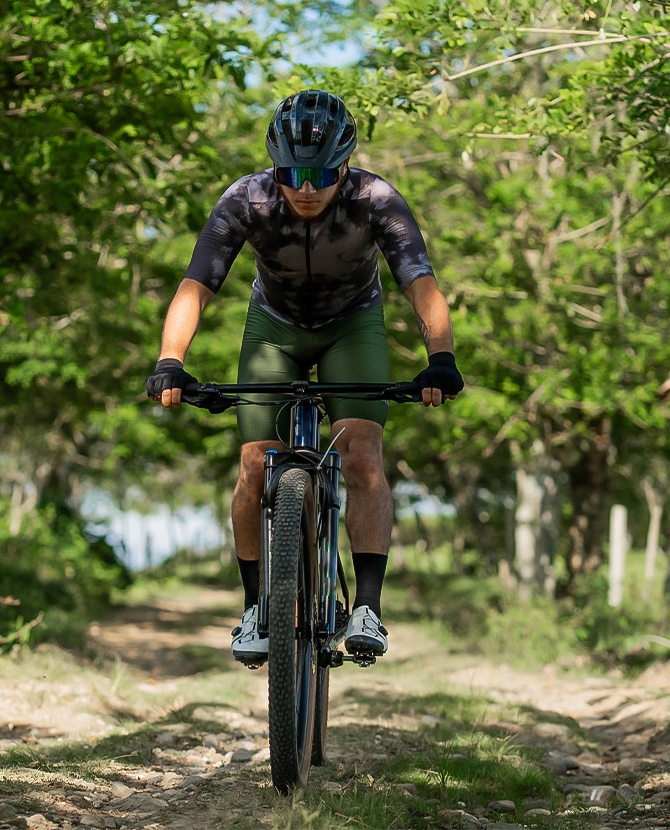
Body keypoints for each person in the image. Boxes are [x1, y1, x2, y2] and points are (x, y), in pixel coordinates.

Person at [145, 89, 463, 662]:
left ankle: (367, 606)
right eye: (292, 172)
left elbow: (420, 283)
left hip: (352, 324)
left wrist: (439, 356)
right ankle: (254, 610)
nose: (307, 188)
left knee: (363, 458)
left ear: (346, 165)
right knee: (252, 465)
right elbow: (196, 285)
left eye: (322, 174)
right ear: (275, 165)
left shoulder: (376, 200)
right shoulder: (248, 199)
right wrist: (172, 360)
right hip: (274, 327)